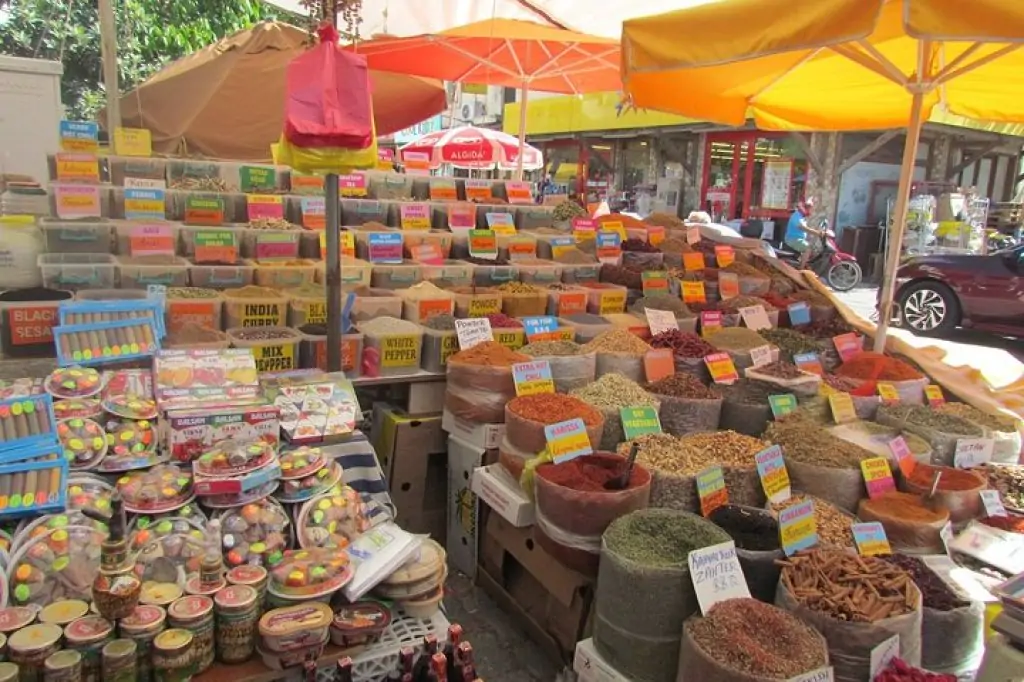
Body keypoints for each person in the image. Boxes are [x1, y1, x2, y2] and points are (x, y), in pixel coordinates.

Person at [784, 198, 822, 268]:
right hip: (793, 239)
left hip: (798, 239)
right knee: (808, 248)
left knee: (814, 249)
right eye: (809, 209)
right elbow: (802, 227)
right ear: (804, 208)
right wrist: (818, 233)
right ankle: (801, 269)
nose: (810, 211)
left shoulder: (801, 217)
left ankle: (804, 263)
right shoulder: (796, 216)